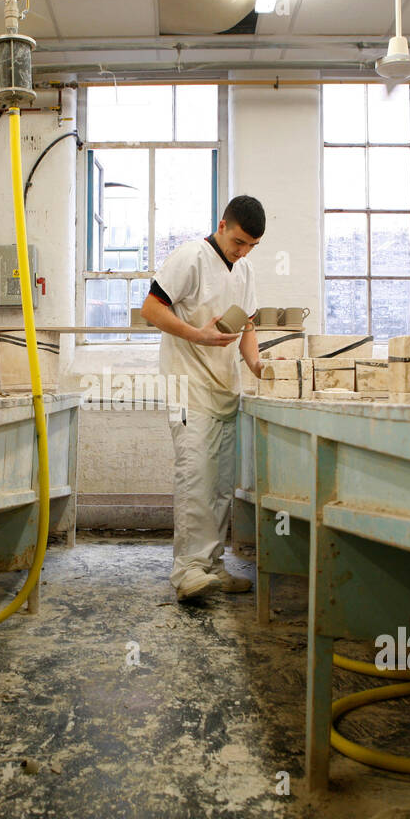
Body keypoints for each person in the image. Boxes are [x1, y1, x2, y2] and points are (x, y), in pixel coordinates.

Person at [139, 195, 266, 601]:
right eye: (240, 241)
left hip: (224, 390)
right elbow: (151, 309)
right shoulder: (191, 257)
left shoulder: (244, 270)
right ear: (223, 225)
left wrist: (260, 366)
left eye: (251, 246)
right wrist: (200, 335)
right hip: (187, 386)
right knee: (196, 479)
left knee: (220, 485)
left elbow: (247, 327)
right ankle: (187, 572)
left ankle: (212, 565)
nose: (243, 251)